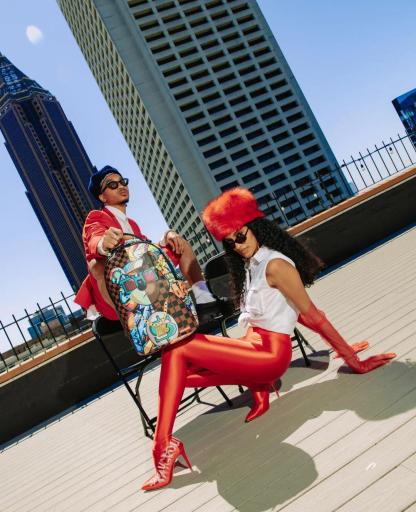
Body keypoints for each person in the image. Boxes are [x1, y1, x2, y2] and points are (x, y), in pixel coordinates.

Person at [141, 187, 396, 492]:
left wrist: (352, 359)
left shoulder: (276, 265)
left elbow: (311, 316)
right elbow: (283, 313)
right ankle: (259, 388)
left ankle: (162, 448)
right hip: (253, 349)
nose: (238, 246)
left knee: (178, 351)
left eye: (241, 236)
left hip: (271, 357)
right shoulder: (251, 265)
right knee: (180, 375)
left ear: (257, 227)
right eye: (230, 242)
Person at [75, 165, 216, 320]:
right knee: (96, 264)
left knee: (178, 242)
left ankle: (206, 301)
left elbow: (150, 248)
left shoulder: (132, 224)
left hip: (145, 279)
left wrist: (167, 236)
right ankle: (131, 321)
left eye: (122, 182)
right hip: (119, 292)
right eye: (113, 184)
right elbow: (93, 237)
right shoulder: (97, 216)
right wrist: (103, 243)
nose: (121, 186)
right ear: (102, 197)